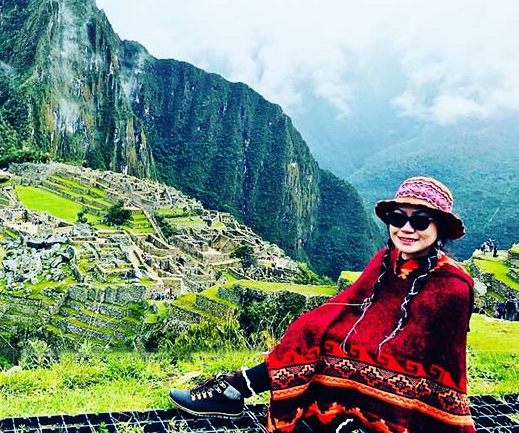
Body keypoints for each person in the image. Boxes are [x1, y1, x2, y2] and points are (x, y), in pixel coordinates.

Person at [169, 176, 475, 432]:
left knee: (348, 350)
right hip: (364, 361)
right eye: (399, 218)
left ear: (440, 229)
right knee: (310, 331)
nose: (407, 229)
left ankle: (342, 418)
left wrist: (361, 348)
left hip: (405, 389)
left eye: (420, 220)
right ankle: (236, 390)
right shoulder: (387, 260)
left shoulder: (452, 287)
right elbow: (348, 305)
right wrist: (313, 329)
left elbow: (432, 359)